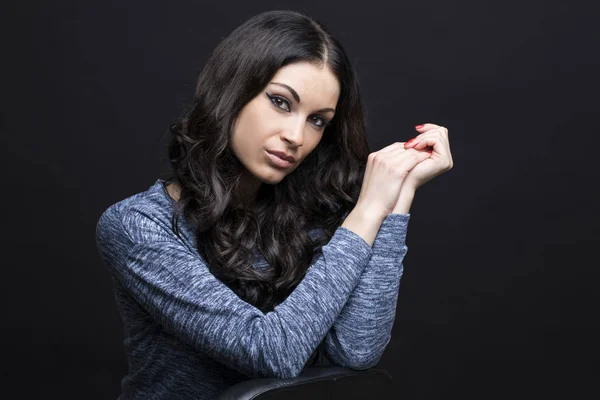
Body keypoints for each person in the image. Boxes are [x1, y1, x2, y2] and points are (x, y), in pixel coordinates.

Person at [95, 9, 453, 400]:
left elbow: (356, 351)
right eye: (281, 102)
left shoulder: (310, 216)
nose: (296, 136)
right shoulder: (138, 225)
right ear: (232, 89)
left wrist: (396, 201)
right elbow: (270, 352)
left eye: (318, 120)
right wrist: (367, 210)